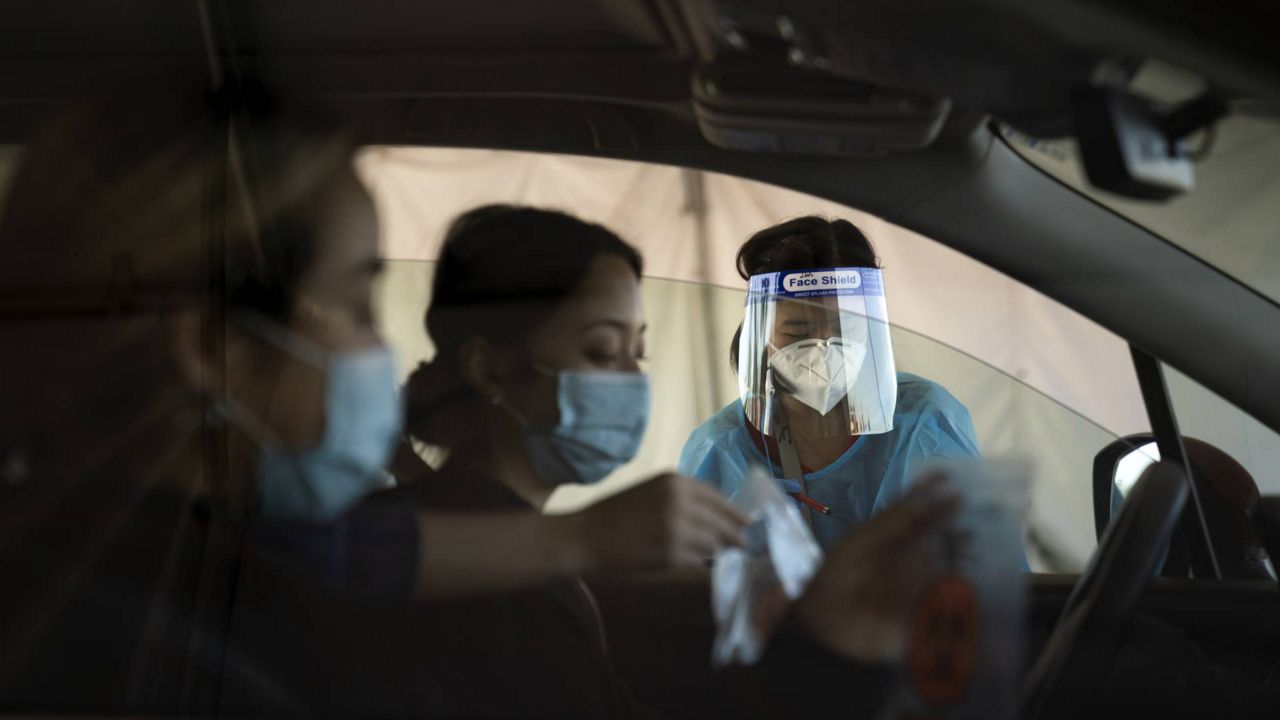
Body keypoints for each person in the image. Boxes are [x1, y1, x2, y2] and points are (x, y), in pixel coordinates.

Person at [0, 89, 745, 712]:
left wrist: (581, 543)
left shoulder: (157, 561)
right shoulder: (186, 650)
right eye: (356, 306)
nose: (381, 352)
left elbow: (335, 556)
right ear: (213, 348)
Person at [356, 204, 961, 718]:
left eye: (637, 353)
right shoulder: (489, 582)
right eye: (601, 350)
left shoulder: (505, 551)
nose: (632, 384)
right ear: (489, 369)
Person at [679, 216, 981, 550]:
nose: (824, 346)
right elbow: (693, 589)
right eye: (797, 332)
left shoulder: (923, 424)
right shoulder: (720, 451)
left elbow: (978, 571)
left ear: (870, 326)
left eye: (844, 327)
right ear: (759, 337)